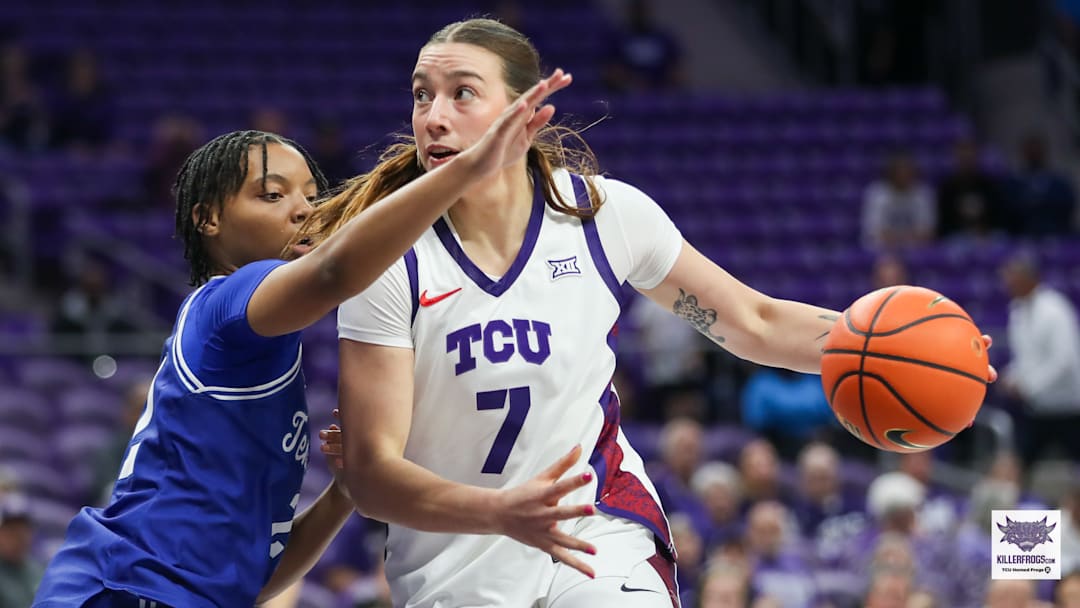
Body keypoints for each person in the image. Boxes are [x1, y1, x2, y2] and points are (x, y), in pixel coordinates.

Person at [296, 17, 996, 608]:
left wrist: (904, 351)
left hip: (602, 528)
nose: (433, 115)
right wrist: (499, 513)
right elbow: (371, 471)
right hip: (456, 560)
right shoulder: (387, 257)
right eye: (422, 96)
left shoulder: (602, 214)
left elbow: (750, 320)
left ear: (526, 110)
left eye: (460, 93)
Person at [34, 67, 587, 608]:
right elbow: (333, 271)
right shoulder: (226, 302)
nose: (305, 208)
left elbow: (260, 580)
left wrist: (342, 493)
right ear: (208, 219)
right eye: (272, 195)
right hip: (124, 591)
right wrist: (464, 172)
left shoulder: (262, 344)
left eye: (310, 193)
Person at [999, 251, 1080, 464]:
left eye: (1012, 277)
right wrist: (1012, 377)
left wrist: (1028, 386)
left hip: (1069, 408)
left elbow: (1064, 361)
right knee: (1020, 462)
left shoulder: (1055, 309)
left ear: (1029, 279)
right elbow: (1026, 356)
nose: (1007, 283)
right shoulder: (1016, 310)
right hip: (1038, 408)